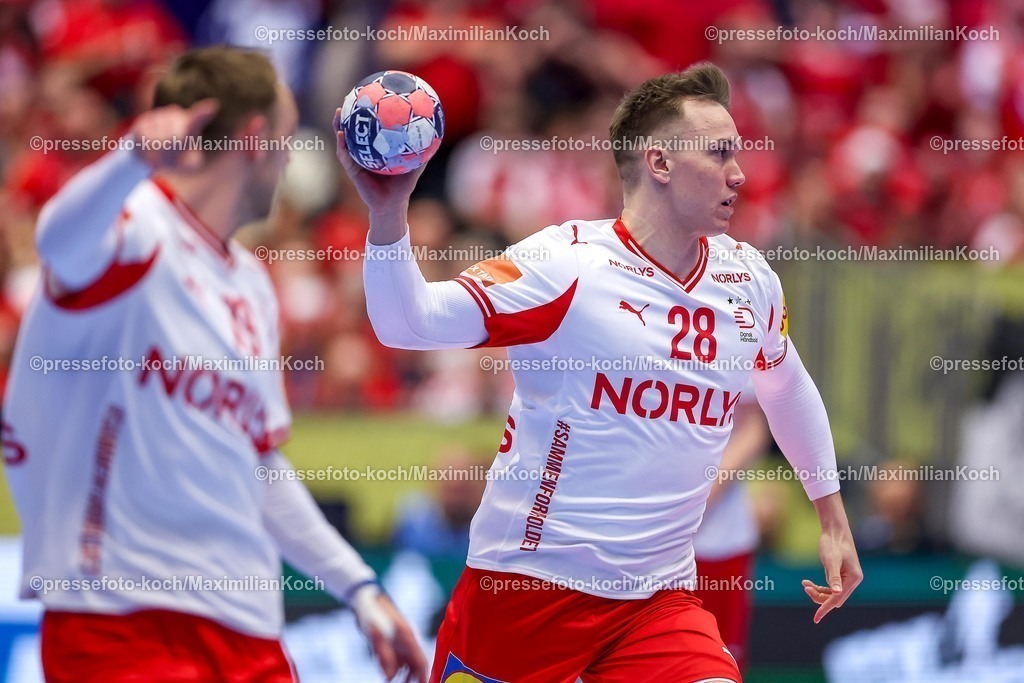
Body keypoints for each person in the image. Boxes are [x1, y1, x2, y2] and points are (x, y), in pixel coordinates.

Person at [339, 61, 862, 683]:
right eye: (720, 153)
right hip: (526, 591)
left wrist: (831, 516)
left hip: (658, 600)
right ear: (660, 163)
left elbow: (786, 387)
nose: (740, 173)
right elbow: (409, 324)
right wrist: (389, 211)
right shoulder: (566, 265)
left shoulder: (748, 280)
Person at [3, 47, 426, 683]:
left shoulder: (252, 284)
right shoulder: (135, 228)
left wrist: (359, 587)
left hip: (246, 625)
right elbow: (57, 240)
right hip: (119, 615)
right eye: (286, 140)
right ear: (255, 137)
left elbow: (258, 463)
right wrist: (131, 158)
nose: (287, 163)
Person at [692, 395, 771, 673]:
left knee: (714, 665)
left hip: (716, 542)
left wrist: (695, 506)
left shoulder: (742, 350)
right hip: (632, 536)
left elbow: (753, 429)